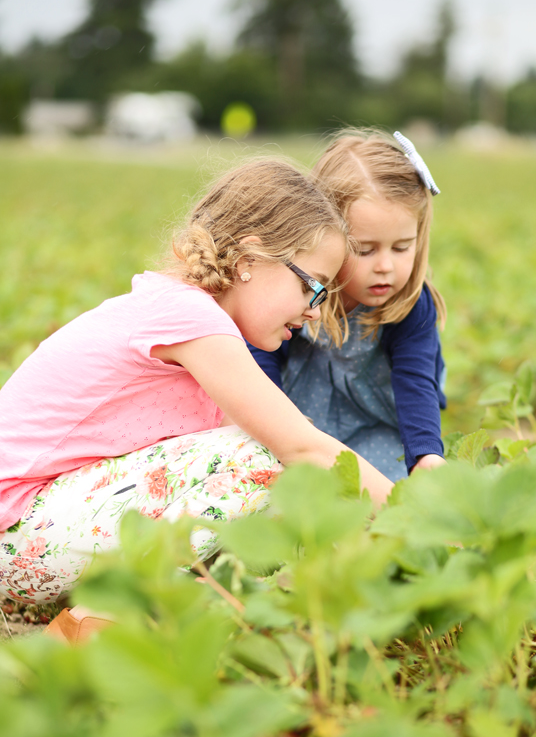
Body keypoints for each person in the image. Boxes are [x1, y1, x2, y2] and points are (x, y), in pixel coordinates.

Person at [0, 158, 393, 604]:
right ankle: (107, 620)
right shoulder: (189, 316)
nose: (315, 311)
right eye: (312, 287)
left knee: (267, 471)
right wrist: (413, 516)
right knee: (260, 453)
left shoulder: (182, 315)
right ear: (249, 258)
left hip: (39, 525)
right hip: (17, 529)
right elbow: (302, 446)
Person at [249, 131, 447, 483]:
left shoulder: (411, 304)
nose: (385, 265)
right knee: (283, 484)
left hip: (377, 422)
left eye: (401, 247)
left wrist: (426, 454)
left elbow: (415, 381)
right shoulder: (298, 289)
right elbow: (262, 358)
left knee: (379, 487)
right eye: (365, 250)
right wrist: (277, 426)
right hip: (298, 415)